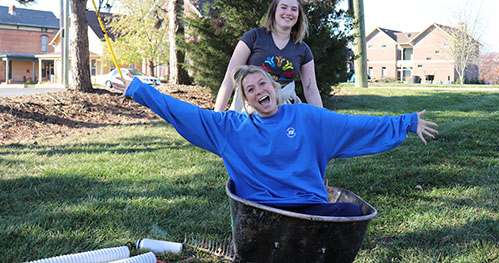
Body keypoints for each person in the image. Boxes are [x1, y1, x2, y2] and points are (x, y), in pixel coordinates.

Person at [113, 65, 438, 217]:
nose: (258, 91)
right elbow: (183, 112)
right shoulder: (231, 128)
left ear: (274, 87)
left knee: (351, 215)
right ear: (246, 100)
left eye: (262, 84)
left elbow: (355, 126)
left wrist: (406, 122)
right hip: (260, 212)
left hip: (309, 209)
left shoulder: (308, 119)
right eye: (250, 90)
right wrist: (140, 90)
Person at [214, 0, 323, 112]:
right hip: (251, 110)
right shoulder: (253, 37)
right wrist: (216, 117)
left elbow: (311, 90)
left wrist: (323, 120)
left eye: (294, 9)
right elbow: (229, 79)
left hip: (284, 112)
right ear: (274, 11)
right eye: (283, 7)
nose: (288, 13)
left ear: (299, 15)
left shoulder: (303, 49)